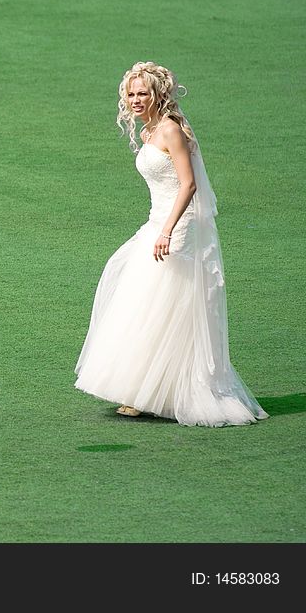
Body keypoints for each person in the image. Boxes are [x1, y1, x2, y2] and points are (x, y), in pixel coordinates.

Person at [74, 61, 267, 427]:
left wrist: (167, 231)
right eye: (130, 94)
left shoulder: (170, 131)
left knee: (167, 301)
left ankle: (160, 391)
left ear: (158, 94)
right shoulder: (148, 132)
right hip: (157, 221)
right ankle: (141, 389)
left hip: (176, 225)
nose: (134, 99)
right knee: (142, 298)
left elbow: (189, 185)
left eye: (142, 93)